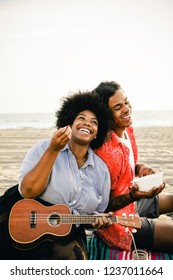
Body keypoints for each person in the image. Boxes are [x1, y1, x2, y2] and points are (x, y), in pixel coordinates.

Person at [1, 91, 114, 260]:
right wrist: (53, 150)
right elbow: (28, 191)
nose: (87, 124)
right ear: (69, 123)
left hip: (67, 235)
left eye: (94, 122)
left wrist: (98, 222)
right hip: (21, 219)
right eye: (81, 118)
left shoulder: (101, 170)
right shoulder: (44, 147)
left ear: (97, 132)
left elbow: (94, 216)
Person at [93, 81, 173, 253]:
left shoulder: (126, 131)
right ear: (106, 115)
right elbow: (101, 206)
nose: (127, 109)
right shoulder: (107, 152)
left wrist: (139, 167)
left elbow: (126, 165)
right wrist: (133, 196)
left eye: (126, 102)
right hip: (119, 223)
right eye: (118, 107)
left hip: (134, 202)